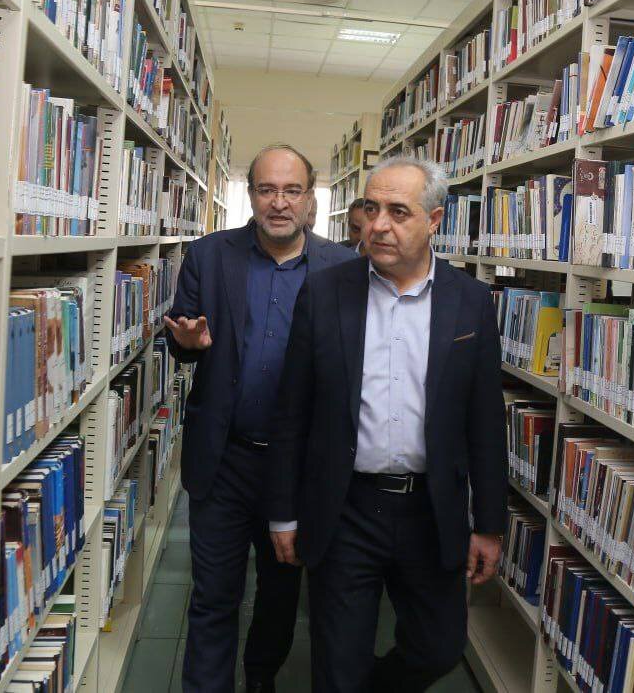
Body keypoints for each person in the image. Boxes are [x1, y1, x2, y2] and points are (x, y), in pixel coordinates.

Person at [266, 155, 506, 692]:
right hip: (347, 507)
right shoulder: (325, 292)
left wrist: (489, 523)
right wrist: (282, 513)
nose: (378, 225)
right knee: (337, 662)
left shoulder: (469, 301)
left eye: (399, 212)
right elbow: (292, 410)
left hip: (431, 510)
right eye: (371, 209)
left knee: (438, 647)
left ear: (434, 220)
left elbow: (486, 421)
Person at [163, 144, 356, 693]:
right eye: (267, 189)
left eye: (292, 190)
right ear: (250, 195)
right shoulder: (208, 256)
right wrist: (188, 344)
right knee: (213, 595)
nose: (279, 202)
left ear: (311, 198)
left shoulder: (344, 268)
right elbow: (181, 336)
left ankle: (260, 678)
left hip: (298, 471)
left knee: (280, 592)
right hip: (224, 459)